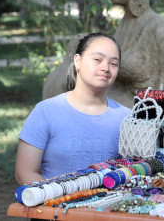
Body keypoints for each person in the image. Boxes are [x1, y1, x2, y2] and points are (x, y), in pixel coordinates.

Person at [15, 32, 130, 185]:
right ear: (78, 61)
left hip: (110, 207)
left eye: (113, 63)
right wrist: (60, 200)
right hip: (54, 206)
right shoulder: (46, 112)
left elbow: (133, 170)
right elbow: (25, 173)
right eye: (97, 59)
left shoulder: (126, 118)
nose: (106, 68)